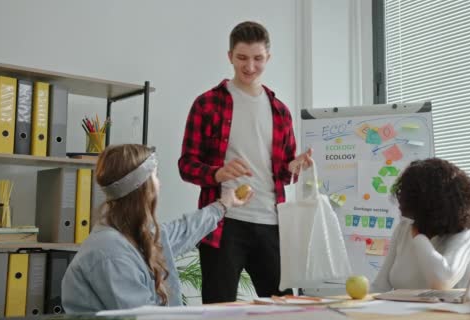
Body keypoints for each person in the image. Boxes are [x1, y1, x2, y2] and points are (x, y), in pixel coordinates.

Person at [178, 21, 313, 303]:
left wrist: (294, 167)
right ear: (230, 57)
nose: (249, 66)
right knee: (219, 307)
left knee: (284, 306)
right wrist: (217, 173)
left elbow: (284, 171)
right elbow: (186, 165)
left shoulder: (280, 112)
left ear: (268, 58)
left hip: (271, 221)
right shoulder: (207, 104)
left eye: (257, 58)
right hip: (223, 222)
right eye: (242, 58)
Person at [61, 144, 252, 312]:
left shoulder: (135, 234)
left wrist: (223, 205)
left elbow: (183, 231)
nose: (160, 184)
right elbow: (143, 317)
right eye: (155, 177)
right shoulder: (112, 253)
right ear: (144, 188)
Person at [371, 158, 470, 293]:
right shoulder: (403, 228)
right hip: (402, 313)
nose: (401, 203)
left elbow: (441, 282)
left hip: (444, 313)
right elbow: (380, 286)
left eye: (407, 196)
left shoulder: (464, 237)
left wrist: (419, 237)